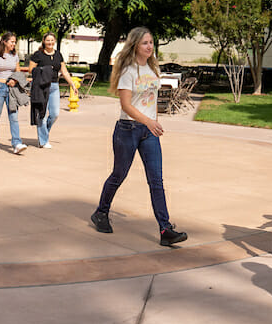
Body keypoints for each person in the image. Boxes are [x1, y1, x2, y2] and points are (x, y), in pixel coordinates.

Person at [90, 27, 187, 246]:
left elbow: (149, 101)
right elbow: (125, 105)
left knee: (156, 181)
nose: (150, 46)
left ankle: (165, 229)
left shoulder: (152, 70)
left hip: (149, 132)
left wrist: (153, 120)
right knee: (119, 175)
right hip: (128, 129)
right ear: (135, 45)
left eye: (151, 42)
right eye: (145, 43)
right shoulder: (128, 71)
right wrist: (149, 121)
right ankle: (101, 212)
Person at [27, 33, 79, 149]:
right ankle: (43, 141)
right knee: (42, 114)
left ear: (54, 41)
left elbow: (64, 71)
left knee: (55, 114)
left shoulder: (58, 55)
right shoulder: (38, 55)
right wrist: (45, 69)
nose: (50, 42)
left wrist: (72, 85)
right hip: (41, 86)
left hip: (54, 86)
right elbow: (31, 70)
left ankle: (44, 135)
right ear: (44, 41)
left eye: (52, 40)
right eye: (48, 40)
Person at [0, 32, 27, 154]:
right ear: (4, 41)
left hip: (11, 89)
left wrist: (14, 80)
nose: (14, 44)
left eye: (15, 42)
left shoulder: (15, 56)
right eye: (12, 42)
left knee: (13, 116)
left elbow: (18, 72)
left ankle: (16, 143)